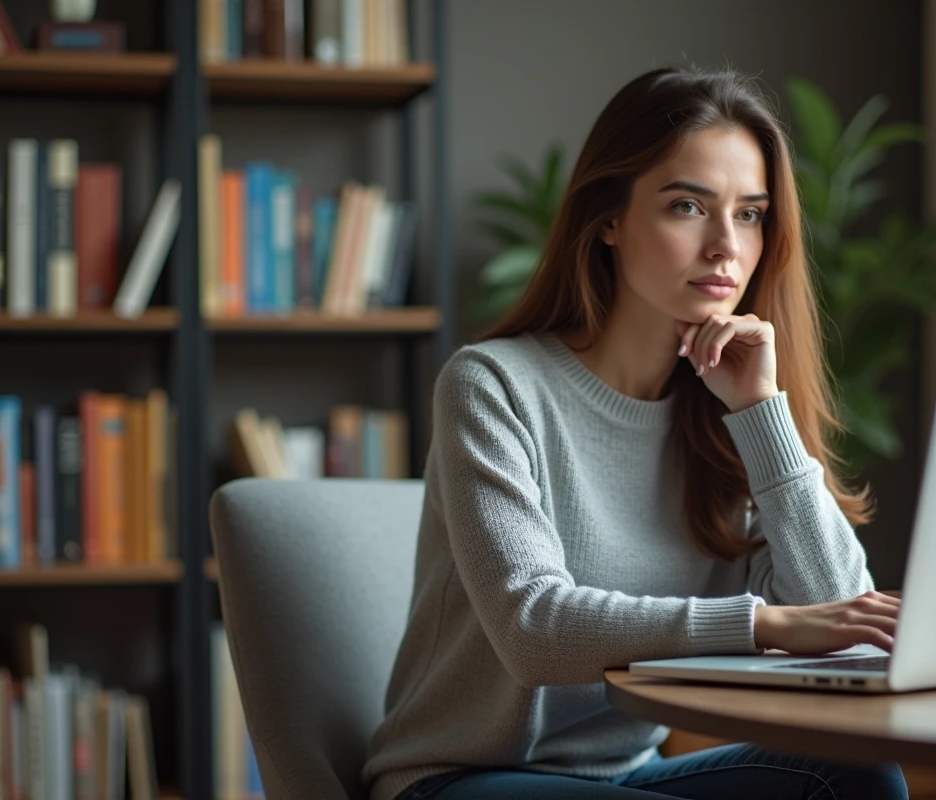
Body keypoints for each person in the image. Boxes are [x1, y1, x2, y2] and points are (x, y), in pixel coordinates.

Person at [362, 65, 908, 800]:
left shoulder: (725, 412)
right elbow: (533, 629)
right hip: (460, 778)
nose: (726, 246)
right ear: (610, 219)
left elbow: (842, 618)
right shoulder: (491, 385)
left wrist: (761, 414)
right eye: (688, 205)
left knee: (859, 778)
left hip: (625, 778)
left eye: (750, 213)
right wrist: (765, 624)